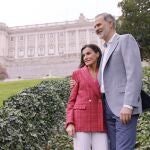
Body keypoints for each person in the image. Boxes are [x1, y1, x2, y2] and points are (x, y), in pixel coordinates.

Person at [94, 13, 142, 150]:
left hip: (122, 106)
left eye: (99, 24)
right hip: (107, 106)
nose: (96, 28)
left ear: (110, 23)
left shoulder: (125, 40)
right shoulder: (105, 49)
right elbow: (106, 79)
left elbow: (134, 74)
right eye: (94, 26)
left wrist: (128, 104)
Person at [65, 44, 108, 150]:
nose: (85, 57)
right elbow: (71, 101)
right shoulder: (77, 73)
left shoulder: (106, 72)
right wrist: (70, 123)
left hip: (100, 118)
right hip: (81, 120)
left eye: (88, 53)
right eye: (83, 55)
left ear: (97, 54)